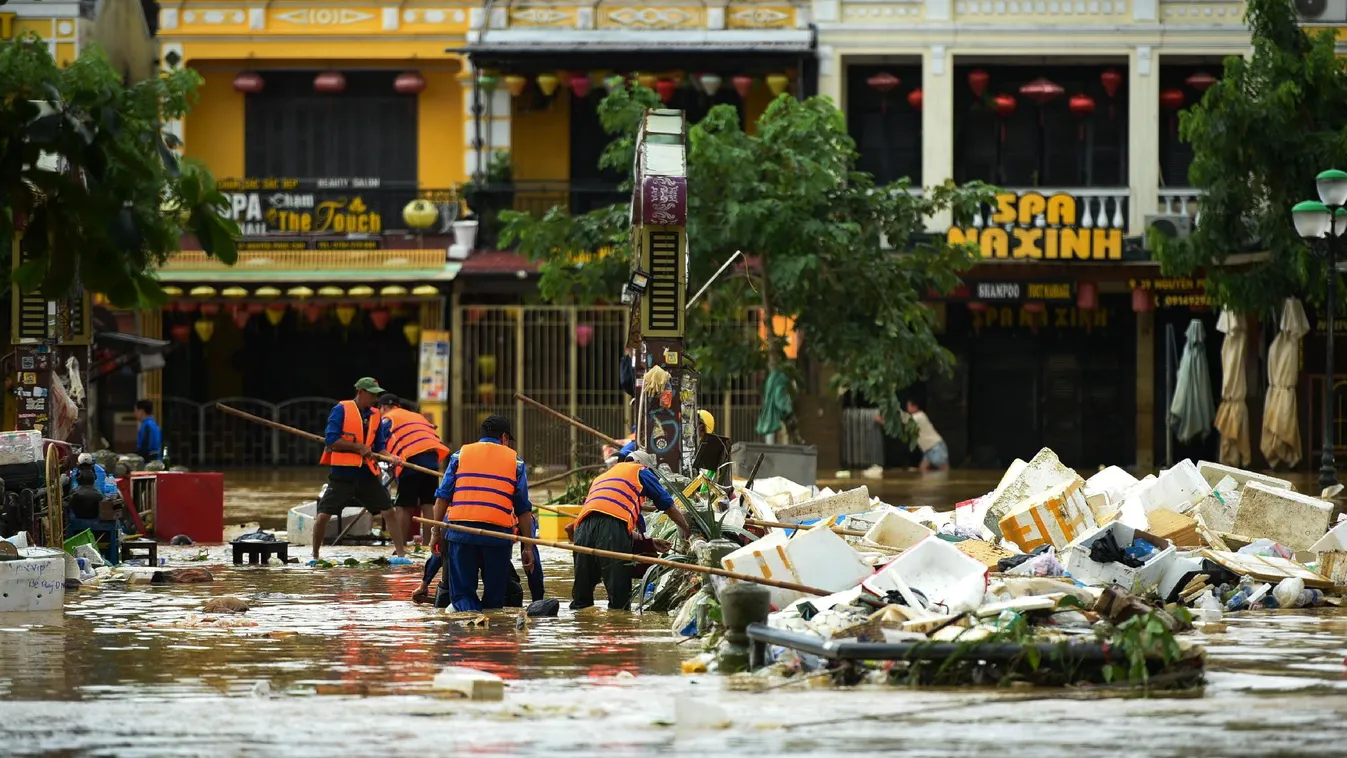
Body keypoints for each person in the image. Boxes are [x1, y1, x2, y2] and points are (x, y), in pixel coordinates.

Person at [427, 415, 534, 612]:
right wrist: (528, 547)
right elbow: (524, 511)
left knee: (462, 597)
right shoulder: (516, 463)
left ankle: (468, 630)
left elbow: (442, 498)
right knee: (495, 599)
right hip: (497, 537)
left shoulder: (459, 456)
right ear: (504, 437)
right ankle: (491, 636)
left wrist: (436, 533)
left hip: (461, 533)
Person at [571, 450, 692, 611]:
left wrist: (649, 542)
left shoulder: (603, 477)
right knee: (619, 598)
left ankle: (581, 630)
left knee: (582, 597)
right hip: (611, 529)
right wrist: (687, 530)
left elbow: (606, 517)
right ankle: (621, 629)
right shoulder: (641, 471)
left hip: (582, 528)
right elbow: (668, 505)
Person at [313, 378, 404, 561]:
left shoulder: (375, 415)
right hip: (342, 474)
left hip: (366, 474)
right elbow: (332, 440)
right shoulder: (341, 409)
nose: (374, 398)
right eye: (371, 394)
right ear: (360, 391)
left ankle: (401, 554)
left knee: (389, 511)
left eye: (376, 394)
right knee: (323, 515)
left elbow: (379, 446)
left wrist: (391, 456)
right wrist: (358, 447)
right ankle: (315, 555)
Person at [378, 394, 449, 545]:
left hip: (411, 459)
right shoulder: (417, 416)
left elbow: (378, 444)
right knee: (428, 504)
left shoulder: (387, 418)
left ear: (383, 407)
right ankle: (428, 545)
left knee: (404, 505)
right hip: (431, 459)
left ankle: (401, 545)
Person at [903, 399, 948, 474]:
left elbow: (903, 421)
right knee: (923, 469)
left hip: (935, 447)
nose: (907, 408)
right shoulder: (916, 417)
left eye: (909, 406)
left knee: (943, 470)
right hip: (928, 449)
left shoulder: (919, 416)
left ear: (915, 406)